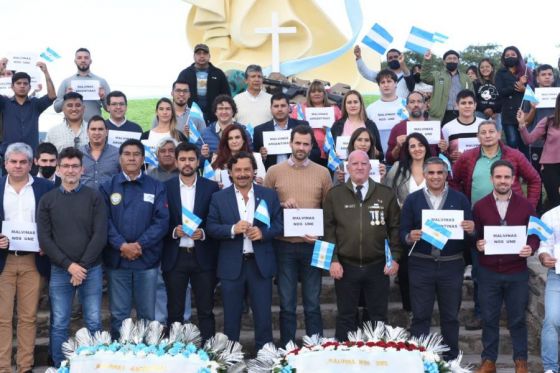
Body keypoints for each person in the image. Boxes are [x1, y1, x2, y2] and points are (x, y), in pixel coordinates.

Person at [399, 157, 474, 361]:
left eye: (440, 172)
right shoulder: (413, 200)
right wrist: (409, 236)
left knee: (450, 316)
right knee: (420, 315)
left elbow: (472, 236)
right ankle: (419, 358)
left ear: (446, 174)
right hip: (421, 263)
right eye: (431, 173)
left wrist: (471, 229)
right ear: (424, 175)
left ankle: (450, 360)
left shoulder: (460, 200)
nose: (435, 177)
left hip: (451, 264)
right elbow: (402, 232)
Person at [38, 146, 107, 368]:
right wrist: (70, 266)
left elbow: (100, 234)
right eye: (65, 166)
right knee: (59, 322)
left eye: (74, 166)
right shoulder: (48, 200)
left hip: (91, 269)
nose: (70, 170)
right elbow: (45, 239)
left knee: (94, 321)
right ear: (58, 169)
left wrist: (82, 266)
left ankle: (94, 366)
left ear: (82, 169)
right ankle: (61, 366)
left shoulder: (94, 197)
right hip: (60, 270)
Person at [206, 152, 282, 351]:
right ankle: (231, 358)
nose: (242, 174)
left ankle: (264, 359)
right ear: (229, 172)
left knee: (263, 316)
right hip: (232, 266)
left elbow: (279, 224)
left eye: (246, 169)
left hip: (260, 266)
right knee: (231, 317)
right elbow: (211, 227)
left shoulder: (268, 195)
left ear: (254, 171)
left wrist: (263, 233)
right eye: (237, 170)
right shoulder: (219, 197)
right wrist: (232, 229)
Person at [264, 125, 332, 345]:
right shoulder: (274, 172)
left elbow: (329, 211)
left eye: (306, 144)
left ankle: (316, 348)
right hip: (284, 246)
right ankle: (287, 349)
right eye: (298, 143)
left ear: (312, 146)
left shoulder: (322, 172)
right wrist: (282, 205)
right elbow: (264, 209)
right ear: (290, 143)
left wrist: (321, 238)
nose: (301, 147)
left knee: (313, 303)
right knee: (287, 304)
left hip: (313, 246)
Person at [324, 150, 401, 341]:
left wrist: (395, 258)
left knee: (378, 316)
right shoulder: (335, 195)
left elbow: (395, 229)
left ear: (370, 167)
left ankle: (378, 360)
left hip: (377, 265)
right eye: (354, 164)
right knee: (346, 316)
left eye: (363, 164)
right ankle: (343, 360)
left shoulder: (386, 194)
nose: (359, 167)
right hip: (345, 266)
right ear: (347, 168)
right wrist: (332, 260)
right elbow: (328, 231)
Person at [472, 160, 539, 373]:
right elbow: (474, 234)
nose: (502, 181)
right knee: (489, 318)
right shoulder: (480, 206)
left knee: (517, 318)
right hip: (488, 272)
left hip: (516, 272)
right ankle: (489, 361)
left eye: (507, 177)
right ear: (491, 179)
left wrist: (531, 247)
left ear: (513, 180)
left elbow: (535, 233)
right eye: (498, 177)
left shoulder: (526, 206)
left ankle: (521, 361)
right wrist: (477, 242)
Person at [100, 139, 169, 338]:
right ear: (120, 158)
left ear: (143, 158)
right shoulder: (107, 187)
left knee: (147, 314)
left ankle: (146, 358)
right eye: (127, 154)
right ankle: (118, 359)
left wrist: (139, 245)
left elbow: (161, 221)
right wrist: (122, 245)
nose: (132, 158)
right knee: (119, 314)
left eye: (136, 154)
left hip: (146, 260)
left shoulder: (156, 187)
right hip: (117, 260)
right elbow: (104, 221)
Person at [0, 143, 52, 372]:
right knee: (2, 319)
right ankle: (3, 367)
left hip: (33, 260)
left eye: (23, 162)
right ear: (5, 164)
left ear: (32, 164)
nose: (18, 166)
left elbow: (54, 221)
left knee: (28, 317)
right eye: (14, 161)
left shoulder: (45, 188)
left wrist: (47, 243)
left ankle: (25, 366)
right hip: (4, 261)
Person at [162, 142, 219, 341]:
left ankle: (210, 354)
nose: (187, 163)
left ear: (198, 162)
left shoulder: (211, 188)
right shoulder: (165, 187)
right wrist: (173, 231)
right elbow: (160, 219)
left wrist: (203, 233)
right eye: (183, 159)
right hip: (175, 256)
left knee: (206, 310)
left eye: (191, 159)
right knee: (175, 311)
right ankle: (175, 353)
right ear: (176, 162)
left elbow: (217, 220)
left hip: (202, 256)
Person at [0, 63, 56, 157]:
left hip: (31, 155)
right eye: (18, 83)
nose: (22, 86)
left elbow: (52, 96)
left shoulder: (36, 104)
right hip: (9, 155)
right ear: (12, 87)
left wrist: (45, 72)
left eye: (25, 83)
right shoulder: (5, 103)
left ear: (30, 87)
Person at [517, 92, 560, 210]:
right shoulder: (548, 121)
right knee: (556, 202)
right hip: (550, 167)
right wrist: (522, 124)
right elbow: (528, 139)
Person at [254, 93, 319, 169]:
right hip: (272, 175)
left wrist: (303, 152)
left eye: (283, 106)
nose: (279, 109)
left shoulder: (303, 125)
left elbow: (316, 152)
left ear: (289, 108)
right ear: (271, 109)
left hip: (299, 171)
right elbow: (253, 158)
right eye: (276, 106)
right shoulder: (259, 130)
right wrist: (260, 156)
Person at [289, 80, 343, 168]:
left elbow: (341, 128)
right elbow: (292, 126)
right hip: (307, 151)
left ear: (324, 94)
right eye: (313, 91)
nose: (316, 93)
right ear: (309, 94)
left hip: (329, 152)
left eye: (320, 91)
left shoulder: (334, 109)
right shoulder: (300, 109)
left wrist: (330, 131)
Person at [386, 91, 447, 164]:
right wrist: (397, 147)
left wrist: (444, 149)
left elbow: (443, 156)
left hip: (430, 171)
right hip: (406, 171)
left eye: (419, 101)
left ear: (425, 106)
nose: (416, 105)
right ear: (406, 106)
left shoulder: (434, 127)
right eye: (412, 102)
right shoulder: (397, 128)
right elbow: (389, 159)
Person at [176, 43, 231, 123]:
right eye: (198, 53)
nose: (202, 56)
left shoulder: (218, 74)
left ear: (209, 56)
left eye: (205, 53)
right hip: (190, 117)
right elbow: (178, 95)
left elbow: (227, 96)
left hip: (214, 118)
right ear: (194, 56)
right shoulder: (185, 74)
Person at [517, 64, 556, 175]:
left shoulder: (558, 94)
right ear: (537, 79)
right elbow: (525, 122)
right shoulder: (530, 94)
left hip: (556, 143)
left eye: (549, 74)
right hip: (537, 143)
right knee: (536, 176)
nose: (547, 77)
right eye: (543, 75)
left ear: (553, 78)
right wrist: (533, 109)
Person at [53, 48, 110, 122]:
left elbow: (109, 109)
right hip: (71, 129)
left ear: (90, 61)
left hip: (94, 129)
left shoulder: (101, 82)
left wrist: (103, 98)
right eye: (79, 58)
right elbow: (57, 109)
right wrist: (66, 98)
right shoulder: (66, 82)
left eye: (86, 58)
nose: (83, 60)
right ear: (75, 61)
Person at [495, 46, 533, 154]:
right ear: (503, 58)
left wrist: (524, 88)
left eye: (513, 55)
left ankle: (526, 168)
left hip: (525, 113)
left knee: (525, 144)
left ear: (518, 56)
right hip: (508, 115)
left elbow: (533, 92)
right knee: (512, 143)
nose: (510, 57)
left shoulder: (526, 72)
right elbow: (500, 91)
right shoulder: (500, 73)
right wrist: (517, 85)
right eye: (507, 55)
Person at [536, 204, 560, 373]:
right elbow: (544, 246)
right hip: (557, 276)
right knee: (551, 319)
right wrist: (544, 256)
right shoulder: (549, 216)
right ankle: (551, 369)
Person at [420, 49, 473, 125]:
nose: (452, 61)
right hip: (439, 115)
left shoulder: (466, 78)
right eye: (449, 59)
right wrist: (427, 61)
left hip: (461, 114)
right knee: (439, 137)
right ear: (444, 62)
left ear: (458, 61)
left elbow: (471, 96)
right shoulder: (437, 75)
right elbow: (424, 77)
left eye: (454, 59)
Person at [331, 90, 384, 161]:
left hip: (365, 168)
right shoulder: (337, 125)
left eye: (355, 102)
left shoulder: (371, 125)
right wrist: (333, 153)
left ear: (361, 104)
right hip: (342, 168)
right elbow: (330, 149)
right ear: (345, 105)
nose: (352, 105)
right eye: (349, 102)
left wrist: (376, 152)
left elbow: (381, 155)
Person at [365, 69, 407, 156]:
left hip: (403, 156)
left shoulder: (407, 105)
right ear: (379, 85)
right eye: (382, 82)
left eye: (389, 81)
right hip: (378, 157)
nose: (386, 85)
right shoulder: (370, 109)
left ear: (396, 84)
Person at [442, 89, 485, 162]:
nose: (467, 106)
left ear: (475, 105)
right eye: (463, 103)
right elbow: (444, 153)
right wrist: (450, 156)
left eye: (470, 103)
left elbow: (492, 149)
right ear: (457, 105)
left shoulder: (484, 124)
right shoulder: (447, 127)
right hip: (458, 170)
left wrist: (466, 156)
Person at [80, 115, 120, 189]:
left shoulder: (117, 153)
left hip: (109, 199)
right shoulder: (78, 153)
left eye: (100, 129)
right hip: (84, 199)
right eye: (93, 129)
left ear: (107, 132)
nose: (97, 132)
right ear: (87, 132)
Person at [474, 58, 501, 126]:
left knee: (496, 134)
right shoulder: (475, 83)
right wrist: (484, 109)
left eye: (487, 66)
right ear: (479, 70)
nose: (484, 69)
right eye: (482, 67)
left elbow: (502, 97)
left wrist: (493, 110)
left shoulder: (499, 82)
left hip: (496, 113)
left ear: (492, 68)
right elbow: (474, 98)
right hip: (480, 112)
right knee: (479, 132)